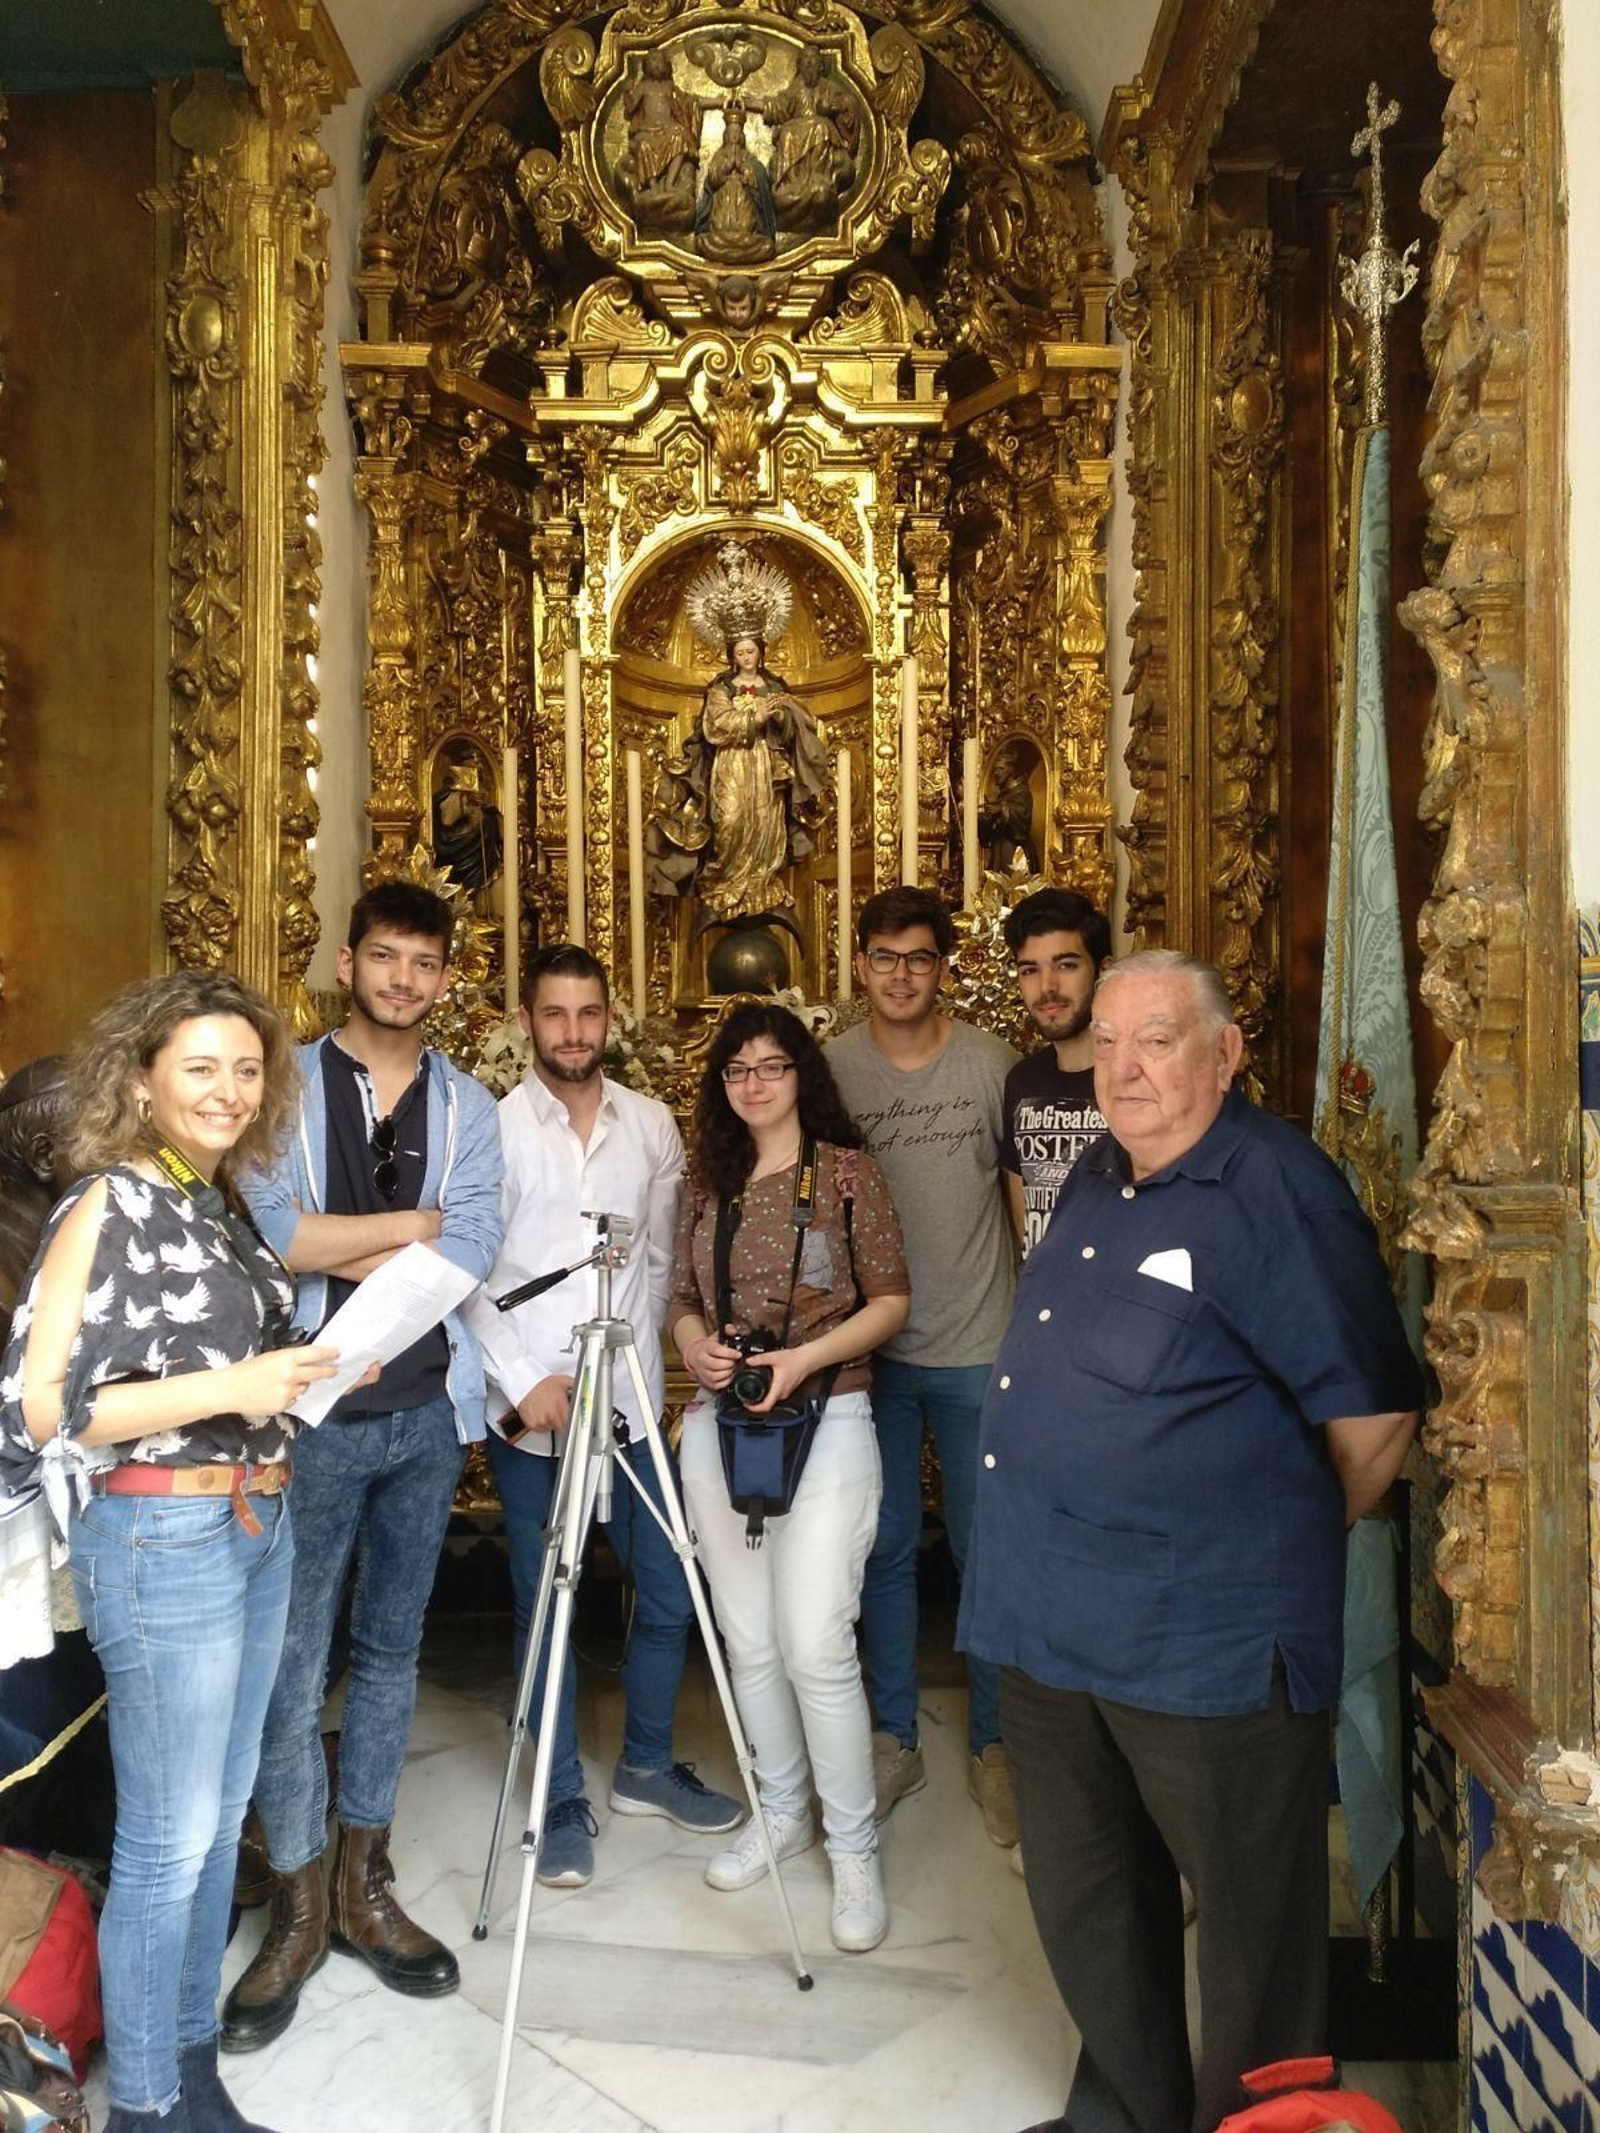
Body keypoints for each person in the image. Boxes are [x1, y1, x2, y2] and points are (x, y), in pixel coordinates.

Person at [959, 951, 1423, 2133]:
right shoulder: (1099, 1172)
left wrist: (1253, 1545)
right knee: (1092, 1902)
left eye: (1156, 1041)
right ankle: (1125, 2115)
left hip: (1205, 1644)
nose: (1123, 1068)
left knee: (1252, 1935)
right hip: (1051, 1624)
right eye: (1108, 1042)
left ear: (1223, 1054)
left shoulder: (1279, 1191)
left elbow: (1374, 1424)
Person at [0, 972, 344, 2133]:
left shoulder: (212, 1198)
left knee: (216, 1818)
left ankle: (191, 2077)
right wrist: (235, 1387)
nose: (228, 1089)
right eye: (200, 1067)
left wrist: (287, 1380)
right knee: (167, 1840)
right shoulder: (107, 1199)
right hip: (163, 1538)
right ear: (141, 1079)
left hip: (254, 1523)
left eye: (246, 1068)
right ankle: (148, 2108)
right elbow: (40, 1407)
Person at [221, 882, 504, 2052]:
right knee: (293, 1669)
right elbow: (279, 1233)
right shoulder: (284, 1088)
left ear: (445, 977)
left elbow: (475, 1243)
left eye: (424, 963)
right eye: (385, 957)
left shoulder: (468, 1103)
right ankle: (297, 1902)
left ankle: (363, 1883)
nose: (403, 979)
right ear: (349, 963)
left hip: (424, 1414)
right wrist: (410, 1226)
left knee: (392, 1651)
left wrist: (396, 1236)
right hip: (313, 1419)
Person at [464, 943, 741, 1889]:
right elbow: (468, 1274)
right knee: (548, 1600)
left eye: (588, 1013)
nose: (573, 1032)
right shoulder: (493, 1129)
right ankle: (556, 1798)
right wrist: (520, 1381)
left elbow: (659, 1266)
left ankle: (647, 1764)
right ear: (527, 1021)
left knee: (668, 1587)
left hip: (627, 1404)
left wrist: (646, 1382)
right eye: (555, 1013)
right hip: (535, 1408)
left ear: (609, 1018)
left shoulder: (651, 1124)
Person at [667, 1004, 909, 1953]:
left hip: (829, 1416)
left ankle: (853, 1846)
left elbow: (891, 1300)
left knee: (815, 1644)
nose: (755, 1084)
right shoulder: (706, 1180)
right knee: (751, 1640)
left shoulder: (847, 1174)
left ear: (802, 1073)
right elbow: (681, 1298)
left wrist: (803, 1359)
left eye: (772, 1066)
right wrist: (698, 1346)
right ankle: (781, 1810)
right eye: (738, 1070)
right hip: (723, 1426)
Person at [825, 886, 1021, 1846]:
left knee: (991, 1551)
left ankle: (996, 1744)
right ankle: (894, 1734)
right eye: (884, 956)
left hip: (982, 1343)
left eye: (919, 958)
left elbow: (1022, 1199)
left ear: (944, 966)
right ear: (860, 963)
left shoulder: (991, 1065)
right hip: (873, 1356)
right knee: (885, 1546)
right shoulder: (833, 1069)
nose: (901, 975)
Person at [1001, 888, 1111, 1256]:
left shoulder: (1138, 1076)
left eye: (1066, 965)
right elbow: (1025, 1219)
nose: (1047, 986)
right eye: (1030, 970)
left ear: (1104, 970)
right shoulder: (1022, 1082)